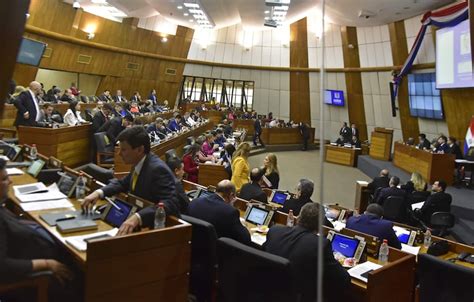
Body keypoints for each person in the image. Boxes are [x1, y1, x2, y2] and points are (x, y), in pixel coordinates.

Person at [0, 158, 80, 301]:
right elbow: (3, 267)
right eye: (5, 179)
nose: (10, 182)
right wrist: (47, 264)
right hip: (39, 281)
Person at [83, 126, 179, 235]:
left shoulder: (157, 169)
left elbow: (170, 203)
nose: (119, 154)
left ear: (139, 150)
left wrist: (138, 217)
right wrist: (99, 193)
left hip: (161, 231)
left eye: (123, 149)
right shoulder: (139, 162)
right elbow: (123, 183)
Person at [264, 203, 351, 302]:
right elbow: (343, 278)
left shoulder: (275, 231)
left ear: (299, 217)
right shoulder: (320, 244)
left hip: (267, 289)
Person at [188, 180, 250, 245]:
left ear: (216, 190)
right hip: (214, 251)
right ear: (231, 195)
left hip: (192, 246)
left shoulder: (195, 202)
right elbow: (245, 239)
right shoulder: (230, 212)